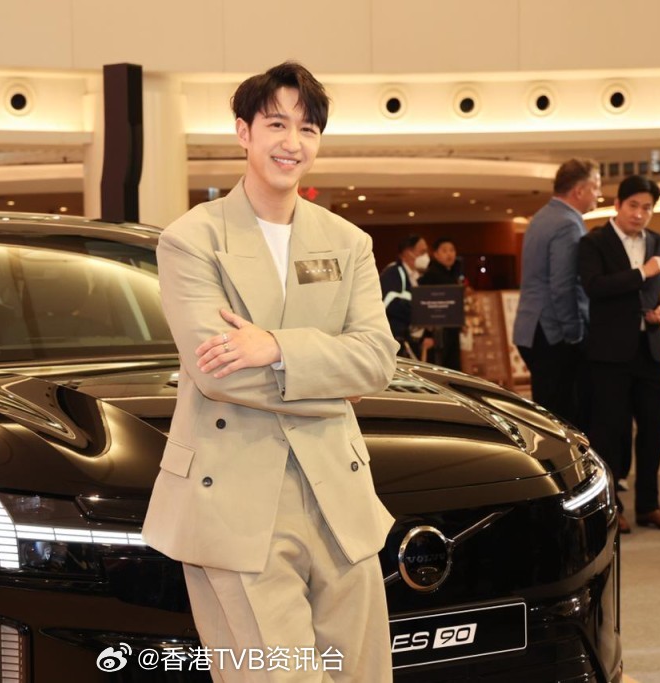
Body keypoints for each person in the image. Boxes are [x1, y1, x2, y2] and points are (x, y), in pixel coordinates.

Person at [142, 61, 398, 682]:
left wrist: (276, 348)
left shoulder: (348, 242)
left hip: (338, 493)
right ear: (243, 132)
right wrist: (333, 384)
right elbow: (219, 374)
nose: (293, 143)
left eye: (307, 129)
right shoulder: (191, 240)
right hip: (235, 495)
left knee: (364, 673)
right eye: (277, 124)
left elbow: (377, 359)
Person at [578, 175, 660, 533]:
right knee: (610, 432)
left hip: (649, 350)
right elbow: (595, 287)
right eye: (633, 206)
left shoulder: (658, 241)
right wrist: (642, 272)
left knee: (653, 429)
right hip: (609, 353)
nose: (640, 214)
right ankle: (613, 508)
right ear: (617, 205)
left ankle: (649, 506)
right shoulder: (594, 241)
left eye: (647, 208)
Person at [513, 158, 599, 426]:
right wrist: (574, 334)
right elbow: (563, 285)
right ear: (579, 191)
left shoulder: (541, 217)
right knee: (563, 419)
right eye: (595, 187)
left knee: (547, 413)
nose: (599, 194)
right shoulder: (567, 223)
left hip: (531, 328)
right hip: (552, 332)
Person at [379, 234, 431, 358]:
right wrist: (421, 313)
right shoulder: (393, 272)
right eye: (422, 252)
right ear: (408, 252)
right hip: (397, 342)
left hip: (412, 341)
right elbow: (389, 303)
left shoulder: (416, 277)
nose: (426, 256)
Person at [418, 237, 464, 370]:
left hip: (450, 329)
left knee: (452, 369)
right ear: (436, 254)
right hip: (438, 334)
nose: (449, 254)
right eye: (444, 250)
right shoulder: (431, 274)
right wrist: (428, 334)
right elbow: (426, 305)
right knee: (441, 369)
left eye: (452, 250)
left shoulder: (451, 273)